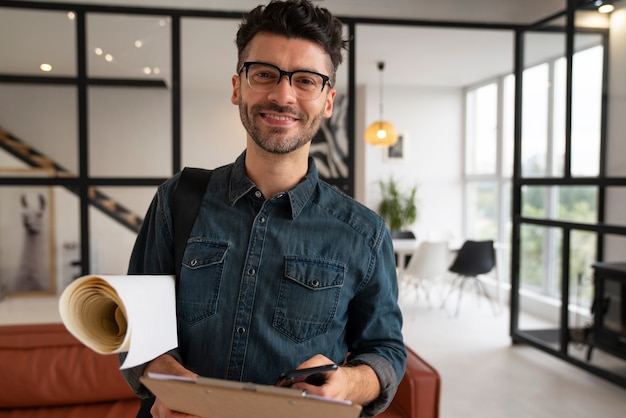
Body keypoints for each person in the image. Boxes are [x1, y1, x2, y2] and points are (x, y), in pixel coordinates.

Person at [121, 1, 406, 416]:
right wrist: (169, 384)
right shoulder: (177, 200)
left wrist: (347, 382)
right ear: (238, 86)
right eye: (264, 74)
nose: (282, 95)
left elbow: (385, 351)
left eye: (305, 80)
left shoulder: (364, 233)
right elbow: (137, 330)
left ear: (327, 100)